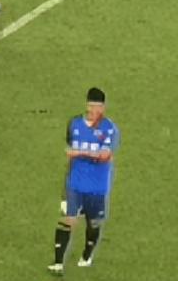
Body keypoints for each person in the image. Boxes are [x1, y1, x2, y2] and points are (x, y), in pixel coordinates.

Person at [48, 87, 120, 274]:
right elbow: (69, 154)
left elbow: (104, 156)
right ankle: (57, 263)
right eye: (93, 107)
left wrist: (80, 152)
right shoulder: (74, 124)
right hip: (75, 184)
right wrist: (65, 189)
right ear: (87, 105)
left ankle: (87, 255)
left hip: (97, 187)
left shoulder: (109, 129)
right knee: (67, 220)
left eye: (99, 107)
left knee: (93, 223)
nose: (96, 111)